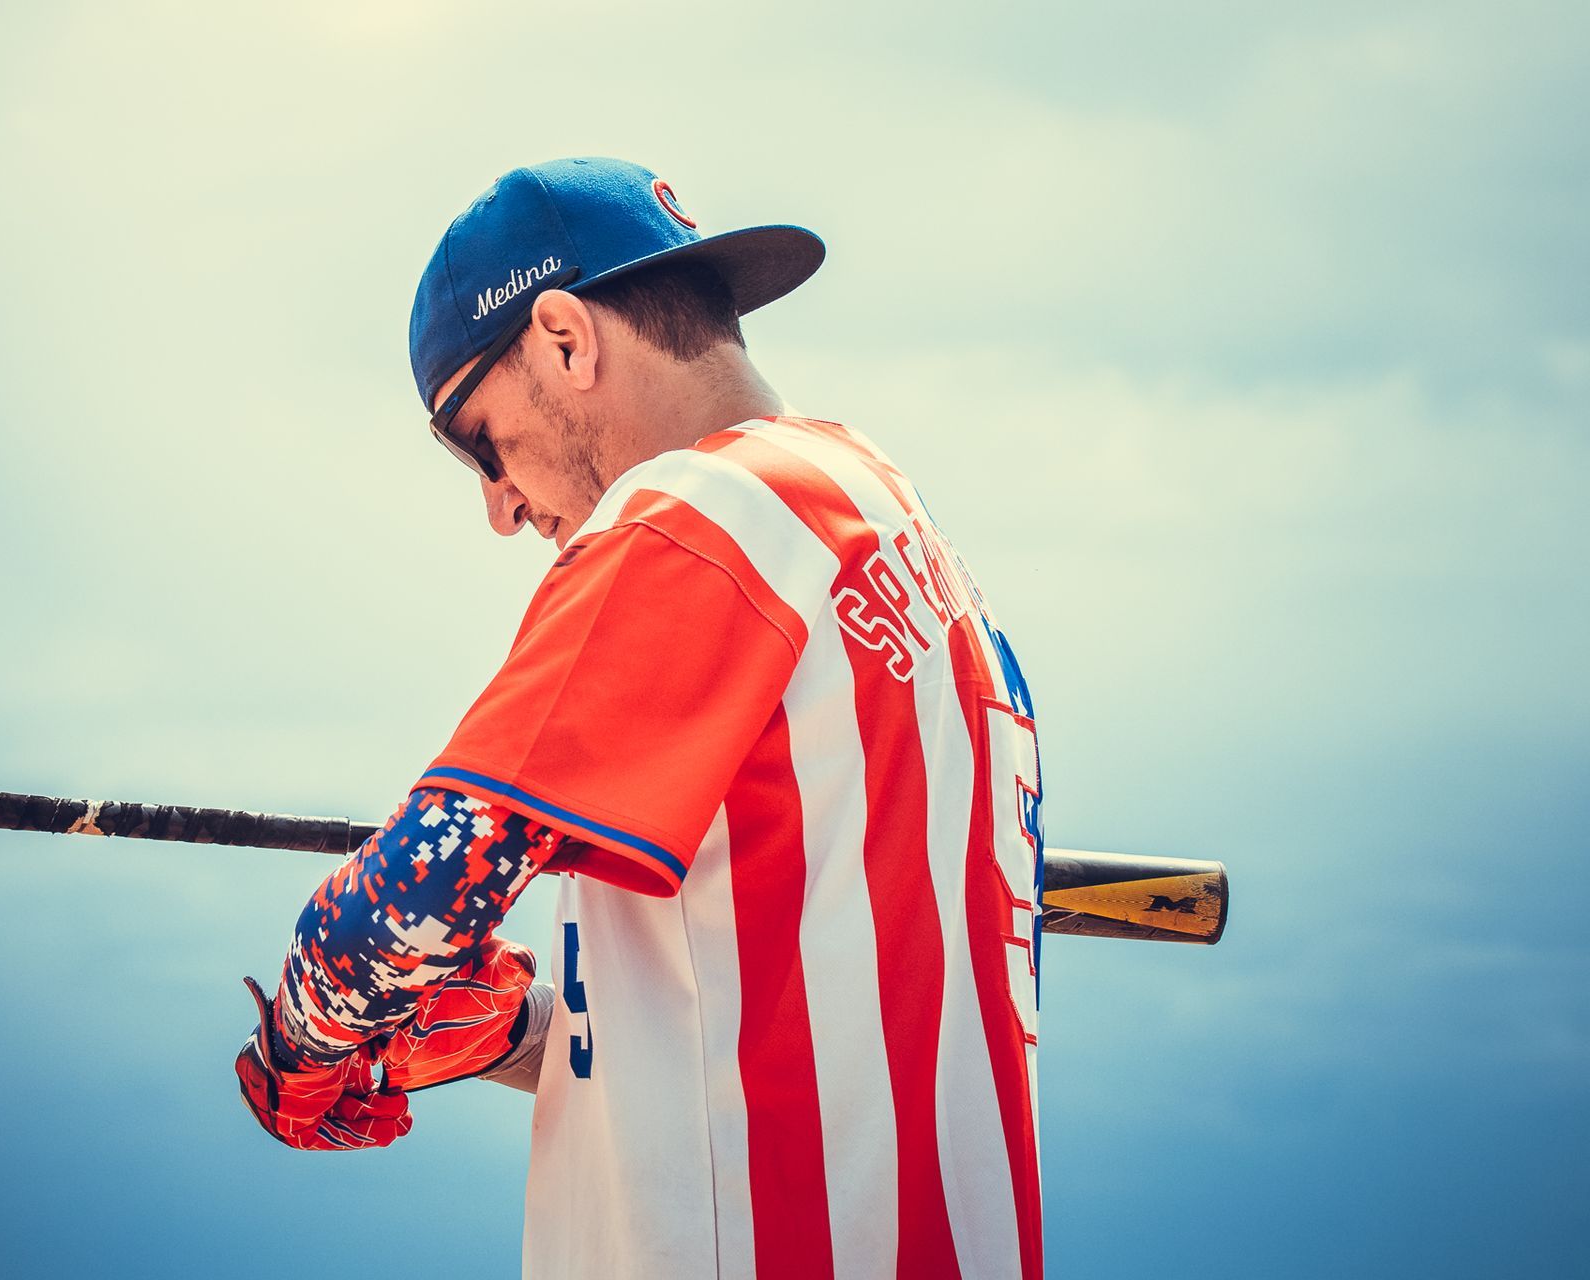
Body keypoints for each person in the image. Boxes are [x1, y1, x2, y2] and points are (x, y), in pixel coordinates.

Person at [235, 157, 1047, 1280]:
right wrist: (514, 1028)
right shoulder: (892, 523)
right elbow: (751, 1012)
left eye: (481, 439)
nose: (498, 505)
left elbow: (408, 901)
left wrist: (304, 1038)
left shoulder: (697, 514)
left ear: (566, 339)